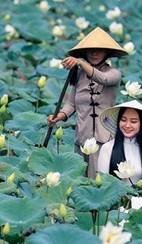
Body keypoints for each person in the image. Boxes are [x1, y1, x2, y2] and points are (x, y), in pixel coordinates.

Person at [46, 27, 126, 177]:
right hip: (82, 135)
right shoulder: (80, 76)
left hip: (104, 137)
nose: (94, 53)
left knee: (99, 178)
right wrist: (59, 116)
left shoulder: (114, 74)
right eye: (90, 50)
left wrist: (81, 63)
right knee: (81, 178)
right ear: (85, 53)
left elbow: (103, 79)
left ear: (107, 53)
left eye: (99, 50)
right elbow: (72, 104)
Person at [96, 100, 142, 185]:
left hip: (139, 196)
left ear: (141, 124)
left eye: (133, 121)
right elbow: (103, 182)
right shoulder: (107, 148)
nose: (127, 125)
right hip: (115, 196)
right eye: (123, 120)